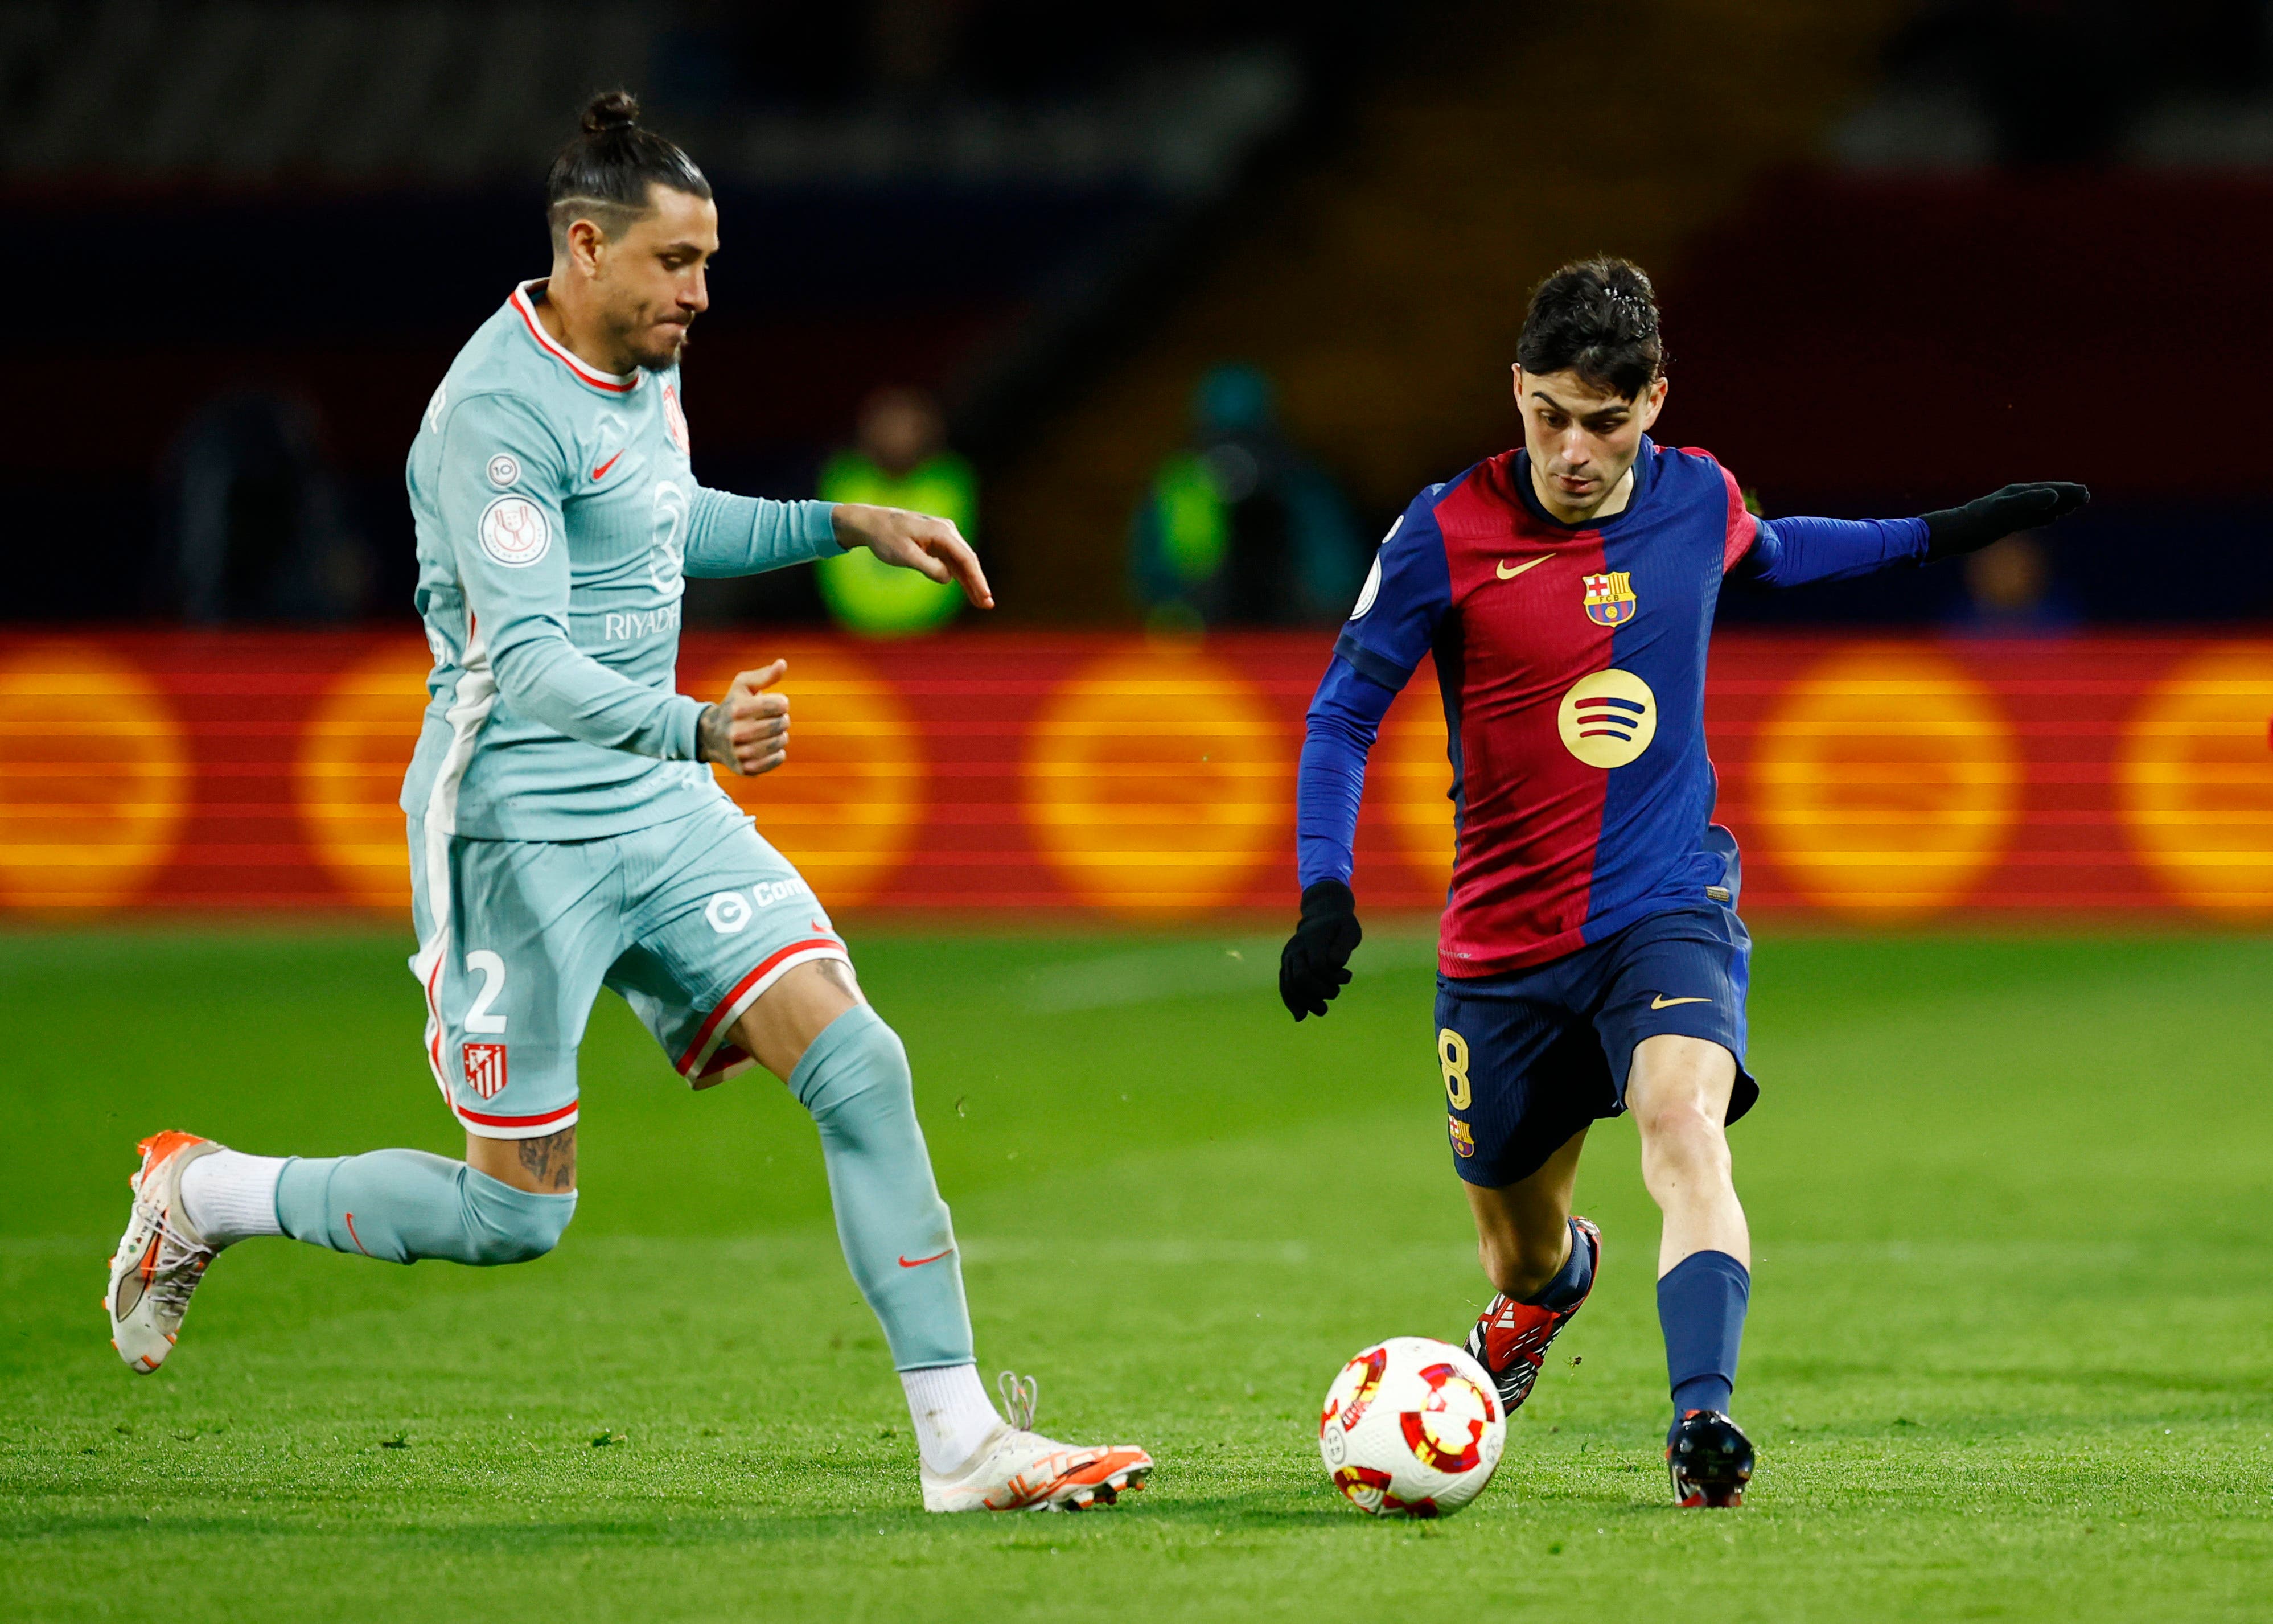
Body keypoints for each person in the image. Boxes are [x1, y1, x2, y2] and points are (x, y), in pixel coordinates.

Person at [104, 91, 1151, 1516]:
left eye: (709, 262)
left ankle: (962, 1442)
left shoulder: (638, 364)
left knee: (861, 1064)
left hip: (655, 809)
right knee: (514, 1215)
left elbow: (668, 517)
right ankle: (208, 1193)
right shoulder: (493, 409)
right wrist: (704, 724)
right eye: (676, 264)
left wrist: (845, 521)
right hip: (514, 836)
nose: (701, 295)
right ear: (585, 248)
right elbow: (526, 663)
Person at [1277, 256, 2086, 1508]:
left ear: (1655, 400)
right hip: (1500, 951)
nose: (1573, 450)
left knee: (1680, 1126)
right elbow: (1341, 715)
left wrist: (1944, 532)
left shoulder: (1696, 495)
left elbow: (1773, 552)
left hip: (1663, 908)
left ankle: (1700, 1421)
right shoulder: (1440, 530)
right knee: (1521, 1247)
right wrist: (1323, 891)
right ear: (1515, 392)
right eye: (1547, 414)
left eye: (1604, 421)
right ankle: (1554, 1289)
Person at [1129, 363, 1364, 628]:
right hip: (1204, 632)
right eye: (1222, 440)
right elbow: (1156, 577)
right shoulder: (1182, 484)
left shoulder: (1302, 483)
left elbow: (1334, 573)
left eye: (1251, 440)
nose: (1238, 463)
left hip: (1290, 629)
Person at [815, 386, 977, 636]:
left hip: (935, 638)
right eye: (887, 426)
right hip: (852, 637)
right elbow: (841, 575)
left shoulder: (949, 483)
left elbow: (948, 577)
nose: (896, 437)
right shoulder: (844, 480)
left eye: (907, 426)